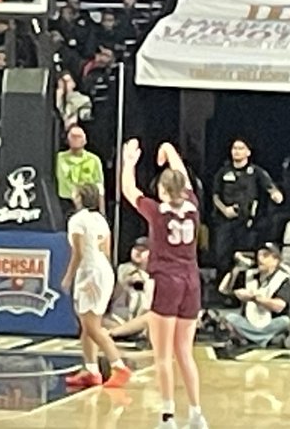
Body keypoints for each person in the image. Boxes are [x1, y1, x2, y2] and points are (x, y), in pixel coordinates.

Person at [121, 139, 206, 429]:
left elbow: (129, 191)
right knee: (185, 351)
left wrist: (128, 162)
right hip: (192, 281)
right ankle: (196, 414)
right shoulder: (193, 205)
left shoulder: (157, 213)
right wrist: (169, 150)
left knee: (163, 354)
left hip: (167, 280)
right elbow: (181, 173)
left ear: (162, 191)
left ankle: (168, 417)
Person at [60, 182, 132, 389]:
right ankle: (91, 370)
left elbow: (79, 252)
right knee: (87, 325)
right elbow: (107, 251)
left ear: (79, 197)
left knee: (92, 327)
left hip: (90, 271)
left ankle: (119, 366)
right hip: (103, 269)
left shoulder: (77, 220)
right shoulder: (101, 219)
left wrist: (68, 277)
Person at [210, 138, 284, 275]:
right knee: (222, 256)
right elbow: (215, 195)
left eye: (240, 148)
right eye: (234, 148)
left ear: (248, 152)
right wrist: (225, 210)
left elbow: (270, 186)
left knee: (244, 256)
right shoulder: (223, 172)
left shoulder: (256, 172)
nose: (237, 152)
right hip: (225, 221)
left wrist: (275, 194)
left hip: (247, 223)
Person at [217, 243, 290, 348]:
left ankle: (250, 339)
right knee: (230, 318)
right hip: (249, 323)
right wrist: (234, 270)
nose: (260, 259)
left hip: (271, 323)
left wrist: (254, 298)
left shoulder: (283, 279)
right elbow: (224, 290)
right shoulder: (250, 275)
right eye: (259, 255)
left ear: (276, 260)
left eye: (265, 256)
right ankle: (264, 339)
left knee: (285, 322)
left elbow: (279, 306)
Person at [55, 125, 104, 218]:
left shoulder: (94, 160)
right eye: (73, 136)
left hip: (88, 205)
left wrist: (102, 213)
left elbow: (100, 186)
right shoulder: (59, 158)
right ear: (67, 139)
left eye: (79, 137)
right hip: (65, 203)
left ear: (85, 140)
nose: (76, 139)